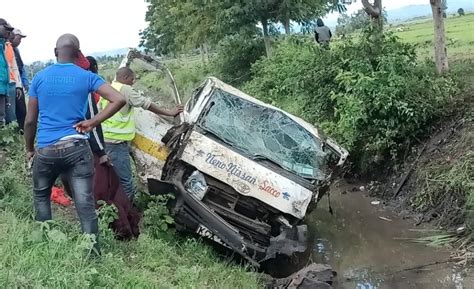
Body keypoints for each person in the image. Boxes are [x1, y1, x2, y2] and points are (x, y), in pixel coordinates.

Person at [25, 34, 126, 255]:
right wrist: (93, 122)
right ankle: (93, 254)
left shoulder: (40, 78)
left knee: (41, 196)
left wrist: (30, 149)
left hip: (47, 150)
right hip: (77, 149)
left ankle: (43, 248)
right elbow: (119, 99)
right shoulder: (86, 76)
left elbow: (31, 120)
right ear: (78, 54)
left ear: (55, 52)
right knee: (85, 204)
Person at [99, 67, 183, 200]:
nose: (133, 82)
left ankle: (113, 208)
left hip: (105, 141)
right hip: (116, 143)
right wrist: (170, 113)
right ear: (125, 78)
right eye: (132, 79)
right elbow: (146, 104)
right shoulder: (125, 89)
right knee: (126, 182)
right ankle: (128, 214)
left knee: (112, 179)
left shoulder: (108, 88)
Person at [10, 28, 28, 130]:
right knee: (13, 112)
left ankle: (22, 131)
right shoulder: (6, 48)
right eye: (19, 38)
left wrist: (25, 83)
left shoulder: (16, 50)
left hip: (18, 83)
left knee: (22, 111)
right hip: (11, 84)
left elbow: (21, 67)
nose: (20, 41)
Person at [5, 30, 23, 124]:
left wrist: (18, 85)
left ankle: (14, 134)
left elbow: (16, 67)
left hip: (12, 84)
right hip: (5, 83)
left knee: (11, 115)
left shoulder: (10, 47)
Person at [0, 19, 14, 126]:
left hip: (3, 89)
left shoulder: (3, 46)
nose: (8, 33)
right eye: (6, 29)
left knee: (2, 119)